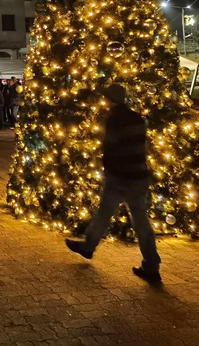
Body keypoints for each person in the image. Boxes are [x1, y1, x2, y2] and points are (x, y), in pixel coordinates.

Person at [65, 85, 161, 285]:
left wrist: (106, 165)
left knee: (104, 213)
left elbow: (111, 147)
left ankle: (88, 247)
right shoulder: (137, 117)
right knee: (141, 222)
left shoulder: (114, 119)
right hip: (138, 175)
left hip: (119, 176)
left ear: (110, 100)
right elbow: (143, 145)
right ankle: (151, 265)